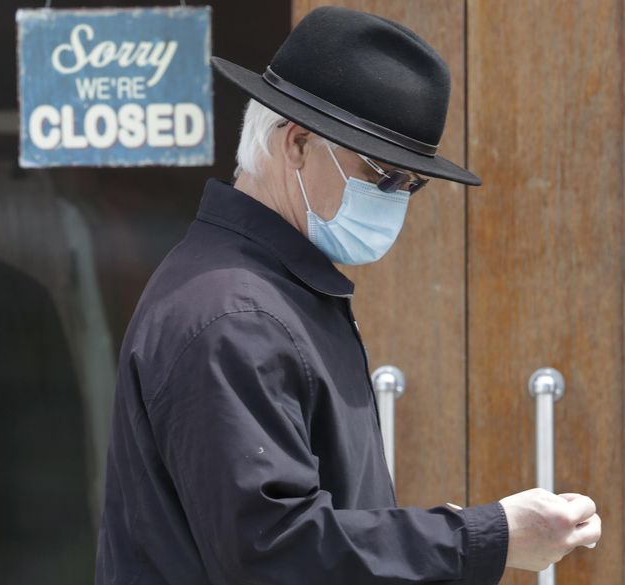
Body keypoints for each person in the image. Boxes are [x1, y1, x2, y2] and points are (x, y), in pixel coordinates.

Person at [94, 6, 601, 584]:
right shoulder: (234, 315)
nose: (396, 197)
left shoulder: (270, 290)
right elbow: (275, 553)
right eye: (382, 174)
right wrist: (489, 536)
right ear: (297, 143)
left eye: (413, 184)